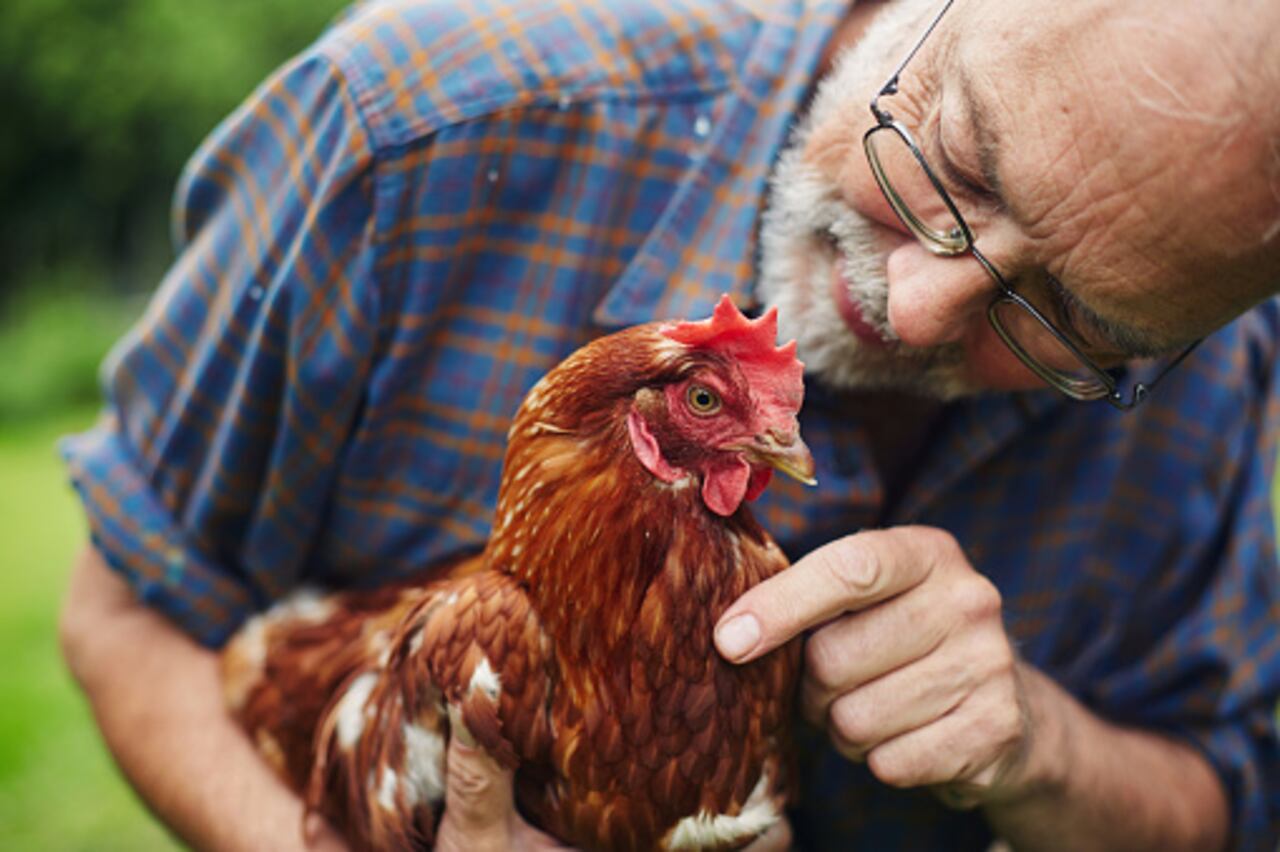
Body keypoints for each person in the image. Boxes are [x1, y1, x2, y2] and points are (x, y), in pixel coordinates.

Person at [57, 0, 1280, 848]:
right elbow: (122, 607)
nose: (912, 310)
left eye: (1065, 319)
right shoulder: (405, 132)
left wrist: (1042, 753)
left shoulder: (1206, 373)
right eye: (958, 163)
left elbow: (1229, 794)